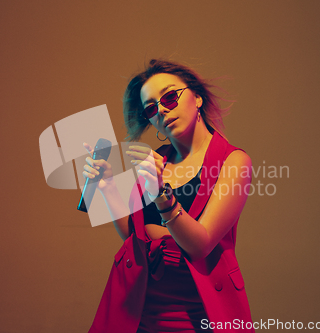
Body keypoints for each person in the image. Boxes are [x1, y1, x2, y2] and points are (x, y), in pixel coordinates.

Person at [84, 59, 255, 332]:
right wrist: (107, 188)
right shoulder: (156, 161)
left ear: (197, 97)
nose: (162, 110)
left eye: (170, 97)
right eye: (151, 108)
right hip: (140, 310)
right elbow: (134, 234)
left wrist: (162, 196)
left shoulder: (233, 161)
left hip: (199, 314)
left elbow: (200, 245)